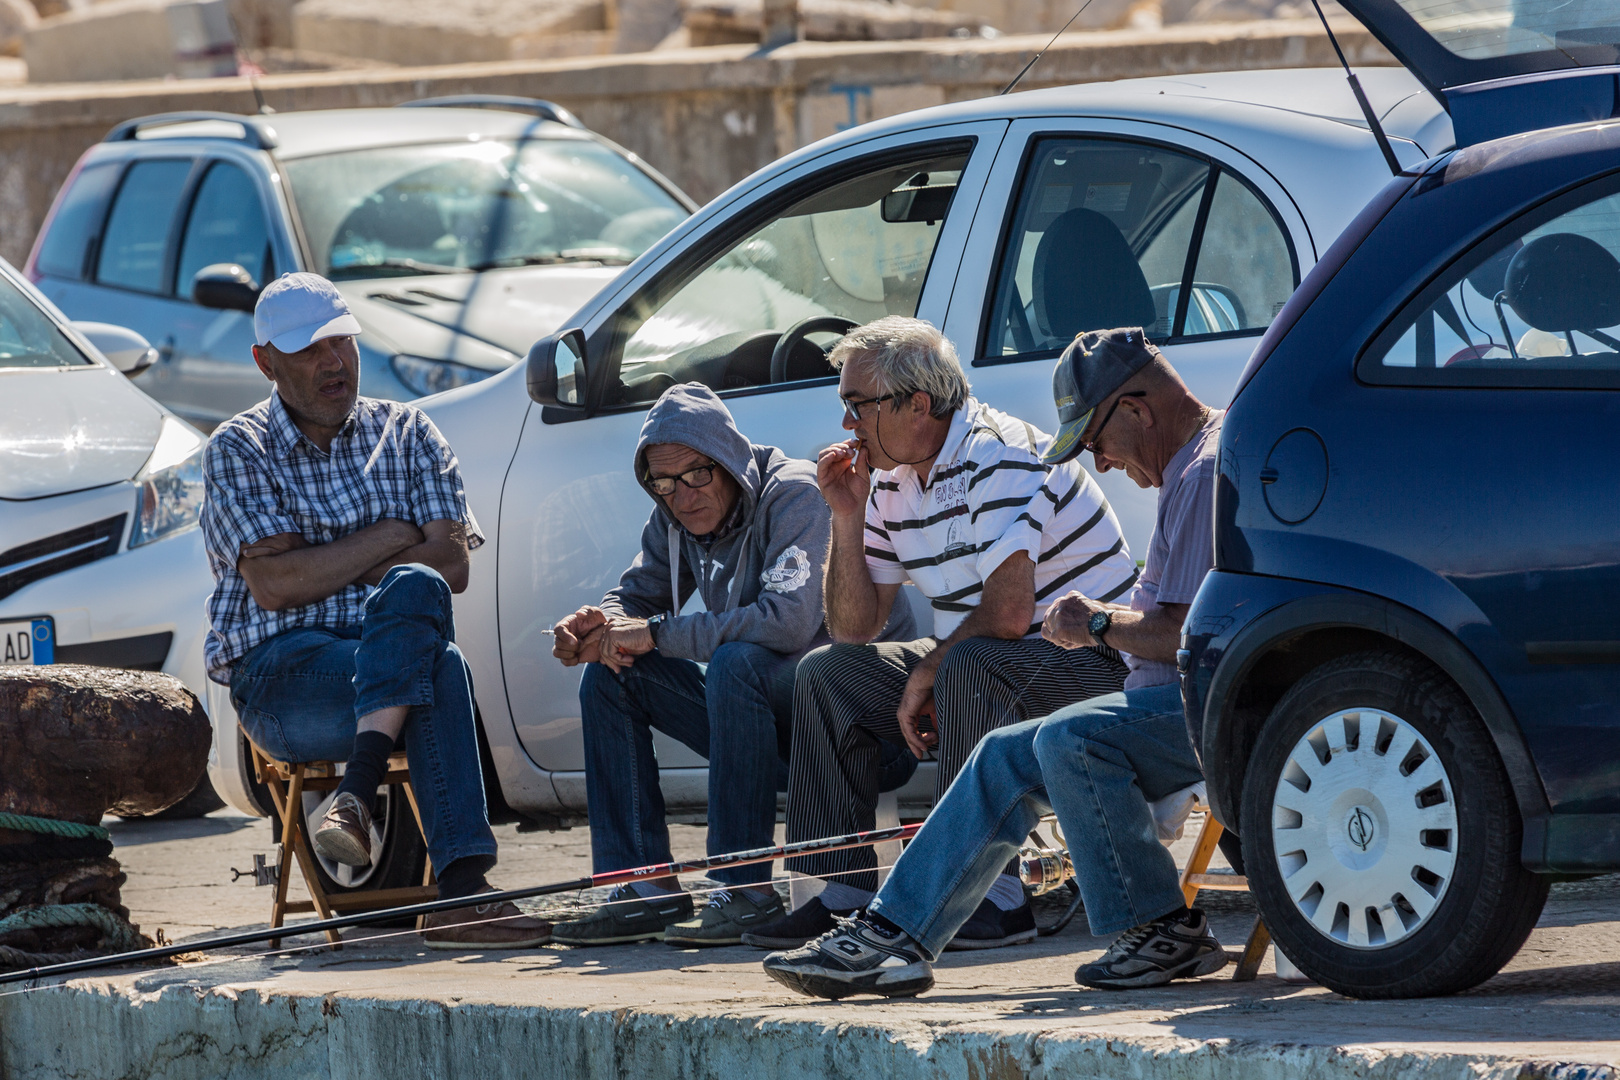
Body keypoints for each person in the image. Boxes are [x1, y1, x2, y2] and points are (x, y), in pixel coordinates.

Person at [763, 327, 1228, 997]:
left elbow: (1175, 635)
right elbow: (852, 629)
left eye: (857, 403)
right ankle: (877, 923)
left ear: (915, 404)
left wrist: (1098, 621)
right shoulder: (885, 477)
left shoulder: (1185, 468)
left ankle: (1016, 903)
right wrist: (846, 515)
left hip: (1109, 671)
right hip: (1096, 674)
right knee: (852, 682)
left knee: (981, 673)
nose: (1096, 461)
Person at [200, 272, 549, 949]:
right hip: (285, 677)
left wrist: (322, 558)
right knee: (432, 653)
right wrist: (391, 534)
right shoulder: (239, 447)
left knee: (425, 607)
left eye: (342, 341)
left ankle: (358, 800)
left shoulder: (409, 431)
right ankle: (463, 892)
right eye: (308, 349)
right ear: (265, 361)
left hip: (383, 659)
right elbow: (275, 587)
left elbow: (453, 566)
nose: (333, 361)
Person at [548, 383, 916, 948]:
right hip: (763, 732)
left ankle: (744, 890)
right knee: (612, 673)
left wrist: (652, 633)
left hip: (867, 730)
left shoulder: (794, 494)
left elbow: (786, 622)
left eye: (697, 475)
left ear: (730, 463)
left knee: (736, 659)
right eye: (663, 484)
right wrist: (600, 626)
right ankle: (641, 886)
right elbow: (636, 597)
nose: (683, 496)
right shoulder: (674, 515)